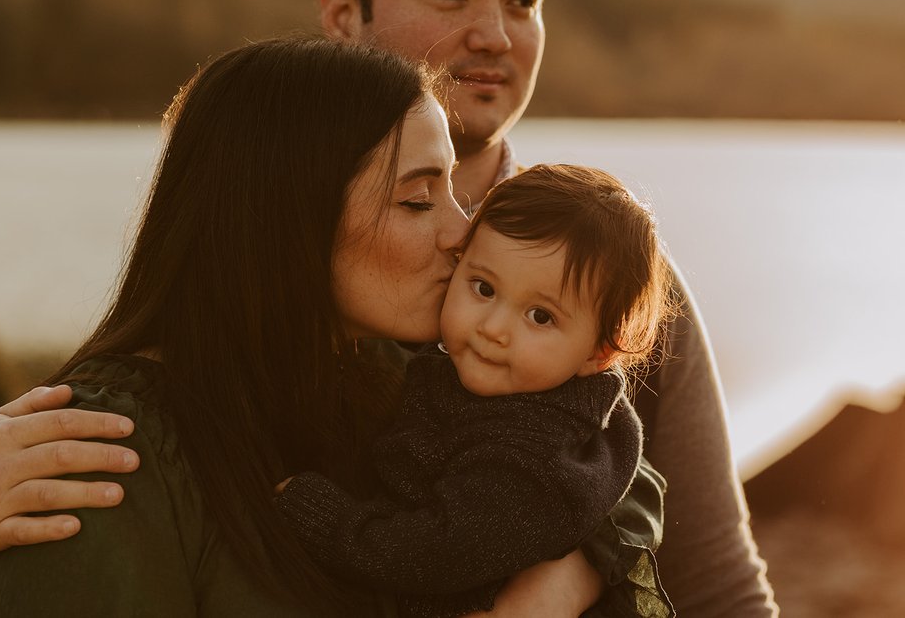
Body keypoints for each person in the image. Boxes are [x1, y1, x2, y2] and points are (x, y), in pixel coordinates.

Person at [0, 0, 778, 615]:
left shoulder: (616, 286)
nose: (494, 33)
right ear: (343, 10)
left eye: (523, 0)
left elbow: (665, 525)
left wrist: (567, 581)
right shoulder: (136, 432)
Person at [275, 164, 677, 618]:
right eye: (483, 288)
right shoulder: (486, 379)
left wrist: (318, 514)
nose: (493, 328)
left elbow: (433, 553)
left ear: (599, 353)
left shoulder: (531, 459)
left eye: (540, 317)